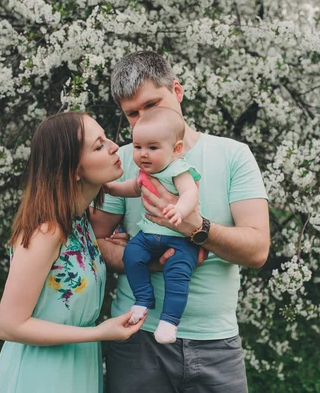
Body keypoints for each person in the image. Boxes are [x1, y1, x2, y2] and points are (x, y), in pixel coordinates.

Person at [90, 51, 270, 392]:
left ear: (177, 91)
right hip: (136, 336)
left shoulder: (233, 155)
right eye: (132, 113)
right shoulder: (124, 160)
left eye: (152, 103)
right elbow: (94, 243)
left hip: (216, 342)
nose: (145, 118)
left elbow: (258, 250)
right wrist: (155, 263)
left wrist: (196, 229)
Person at [0, 112, 145, 393]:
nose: (114, 147)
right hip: (41, 373)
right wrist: (99, 332)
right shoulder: (47, 230)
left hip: (79, 364)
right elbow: (8, 325)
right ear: (73, 169)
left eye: (107, 138)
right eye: (98, 146)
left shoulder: (80, 220)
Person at [104, 107, 201, 344]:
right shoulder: (143, 173)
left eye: (153, 148)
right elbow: (130, 188)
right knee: (131, 256)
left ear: (175, 150)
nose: (143, 154)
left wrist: (179, 210)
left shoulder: (178, 169)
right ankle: (143, 298)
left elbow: (190, 193)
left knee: (177, 275)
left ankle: (169, 322)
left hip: (180, 239)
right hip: (148, 234)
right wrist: (108, 187)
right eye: (138, 147)